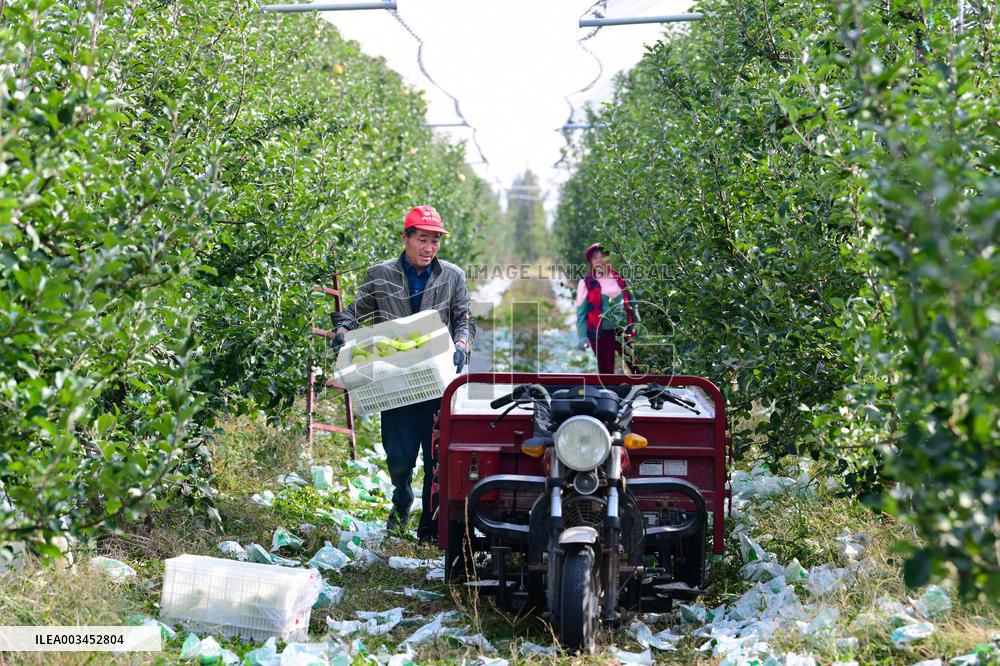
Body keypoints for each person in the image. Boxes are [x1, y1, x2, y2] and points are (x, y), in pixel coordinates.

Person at [330, 205, 474, 541]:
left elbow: (465, 319)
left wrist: (461, 344)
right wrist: (342, 332)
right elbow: (354, 313)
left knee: (436, 457)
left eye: (435, 241)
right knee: (399, 454)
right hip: (394, 382)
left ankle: (430, 526)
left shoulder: (452, 276)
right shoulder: (380, 275)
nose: (429, 247)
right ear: (405, 238)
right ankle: (401, 497)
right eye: (422, 239)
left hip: (437, 381)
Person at [575, 243, 636, 374]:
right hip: (600, 334)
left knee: (636, 365)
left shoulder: (620, 279)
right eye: (595, 258)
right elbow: (581, 313)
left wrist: (636, 326)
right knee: (607, 373)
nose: (599, 260)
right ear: (591, 263)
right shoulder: (586, 283)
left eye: (602, 256)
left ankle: (643, 387)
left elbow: (632, 304)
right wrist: (582, 336)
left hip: (624, 331)